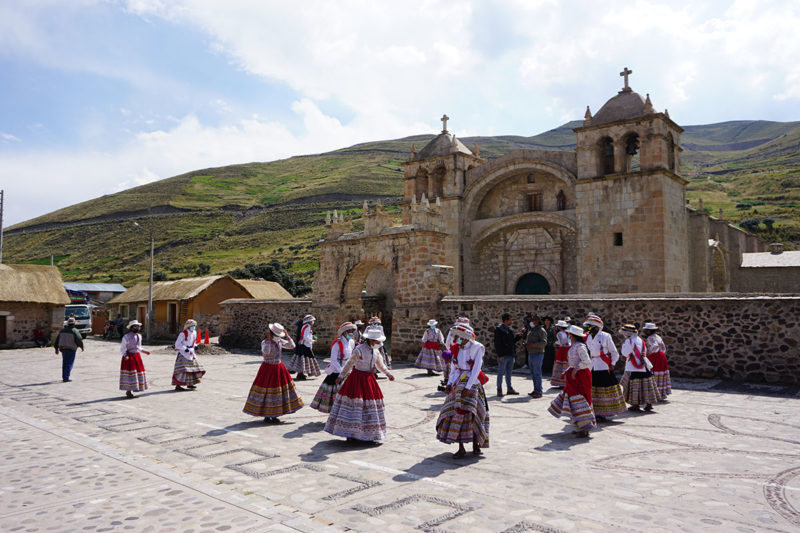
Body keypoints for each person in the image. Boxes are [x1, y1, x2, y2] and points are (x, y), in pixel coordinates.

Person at [324, 325, 395, 443]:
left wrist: (388, 374)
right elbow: (349, 364)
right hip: (356, 380)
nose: (379, 343)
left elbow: (380, 365)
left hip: (369, 380)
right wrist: (341, 376)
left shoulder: (376, 351)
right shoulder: (359, 350)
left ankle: (369, 433)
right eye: (377, 341)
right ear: (371, 340)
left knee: (369, 406)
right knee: (354, 406)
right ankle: (351, 433)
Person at [436, 324, 490, 458]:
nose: (455, 339)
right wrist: (449, 383)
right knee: (456, 413)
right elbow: (455, 368)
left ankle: (476, 444)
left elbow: (476, 369)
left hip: (473, 384)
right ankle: (461, 447)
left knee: (475, 413)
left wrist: (467, 388)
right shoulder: (456, 348)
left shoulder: (477, 348)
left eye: (458, 337)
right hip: (458, 383)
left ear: (465, 337)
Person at [243, 322, 303, 423]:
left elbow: (292, 346)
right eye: (276, 335)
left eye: (279, 335)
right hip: (267, 368)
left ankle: (275, 414)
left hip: (278, 368)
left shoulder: (279, 341)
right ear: (271, 334)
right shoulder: (265, 343)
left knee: (278, 392)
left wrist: (287, 336)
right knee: (267, 392)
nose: (278, 337)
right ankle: (267, 415)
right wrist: (269, 340)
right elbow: (266, 352)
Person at [547, 325, 595, 438]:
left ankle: (584, 428)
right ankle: (579, 426)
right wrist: (568, 370)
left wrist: (576, 369)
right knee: (573, 400)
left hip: (581, 376)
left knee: (580, 399)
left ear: (573, 336)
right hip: (574, 376)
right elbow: (573, 362)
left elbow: (587, 362)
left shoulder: (580, 347)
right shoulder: (574, 346)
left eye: (570, 335)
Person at [584, 314, 627, 422]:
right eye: (588, 326)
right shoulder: (587, 336)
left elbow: (614, 352)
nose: (588, 328)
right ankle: (594, 411)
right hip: (592, 366)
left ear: (596, 327)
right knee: (592, 390)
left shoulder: (605, 336)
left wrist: (612, 363)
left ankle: (604, 413)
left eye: (590, 326)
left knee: (604, 390)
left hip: (603, 366)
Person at [310, 322, 356, 413]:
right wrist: (341, 372)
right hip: (337, 371)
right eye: (350, 331)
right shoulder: (337, 343)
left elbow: (351, 357)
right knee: (336, 394)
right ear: (344, 332)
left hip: (347, 370)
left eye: (353, 331)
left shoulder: (351, 342)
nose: (352, 333)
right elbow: (333, 360)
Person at [618, 323, 660, 411]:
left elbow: (625, 353)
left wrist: (623, 346)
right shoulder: (641, 340)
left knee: (634, 386)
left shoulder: (629, 341)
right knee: (646, 385)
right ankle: (649, 403)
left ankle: (635, 405)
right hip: (643, 365)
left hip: (632, 366)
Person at [173, 319, 206, 391]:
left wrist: (195, 346)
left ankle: (190, 384)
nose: (194, 327)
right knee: (183, 369)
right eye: (192, 326)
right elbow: (177, 344)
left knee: (193, 368)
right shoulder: (183, 333)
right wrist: (185, 349)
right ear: (188, 326)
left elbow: (193, 342)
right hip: (183, 354)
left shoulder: (194, 332)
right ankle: (178, 385)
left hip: (191, 353)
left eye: (194, 326)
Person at [119, 320, 150, 399]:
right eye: (135, 326)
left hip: (137, 356)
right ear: (131, 328)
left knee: (137, 373)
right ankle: (128, 391)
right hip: (129, 357)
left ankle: (135, 388)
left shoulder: (139, 336)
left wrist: (144, 351)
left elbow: (138, 347)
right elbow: (122, 348)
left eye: (137, 326)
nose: (137, 328)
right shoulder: (126, 337)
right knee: (130, 373)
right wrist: (125, 355)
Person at [493, 313, 520, 397]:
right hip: (503, 355)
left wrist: (519, 336)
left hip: (511, 354)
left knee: (509, 373)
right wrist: (500, 355)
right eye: (510, 320)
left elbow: (512, 341)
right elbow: (497, 343)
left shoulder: (510, 329)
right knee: (501, 373)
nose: (511, 321)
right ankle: (499, 389)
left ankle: (509, 388)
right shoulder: (499, 329)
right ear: (506, 320)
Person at [643, 322, 672, 400]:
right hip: (662, 356)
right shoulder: (658, 337)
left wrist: (650, 352)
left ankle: (655, 393)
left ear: (649, 331)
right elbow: (663, 347)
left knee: (653, 373)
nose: (645, 332)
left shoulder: (650, 338)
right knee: (661, 374)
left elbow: (655, 346)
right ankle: (661, 393)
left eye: (646, 330)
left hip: (655, 357)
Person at [288, 314, 321, 380]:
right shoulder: (307, 326)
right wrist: (312, 340)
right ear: (309, 321)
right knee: (305, 359)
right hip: (305, 345)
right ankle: (301, 374)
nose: (313, 322)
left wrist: (311, 339)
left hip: (302, 344)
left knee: (302, 360)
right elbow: (306, 337)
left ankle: (301, 374)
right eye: (312, 321)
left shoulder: (304, 326)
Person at [53, 317, 84, 382]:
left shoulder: (62, 331)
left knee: (65, 363)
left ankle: (64, 376)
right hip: (71, 349)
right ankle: (66, 377)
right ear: (74, 324)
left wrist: (56, 348)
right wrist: (82, 346)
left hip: (63, 349)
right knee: (69, 363)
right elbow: (79, 339)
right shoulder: (75, 331)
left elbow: (57, 340)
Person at [525, 315, 547, 398]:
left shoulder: (541, 330)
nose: (532, 322)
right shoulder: (532, 330)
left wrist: (533, 345)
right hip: (531, 353)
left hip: (537, 354)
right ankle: (535, 390)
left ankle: (539, 391)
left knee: (537, 373)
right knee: (533, 373)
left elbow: (543, 343)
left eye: (533, 320)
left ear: (537, 321)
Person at [550, 319, 571, 388]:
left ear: (559, 327)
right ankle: (565, 382)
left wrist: (555, 343)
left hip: (562, 350)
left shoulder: (559, 333)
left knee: (559, 364)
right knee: (565, 365)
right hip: (568, 349)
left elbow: (560, 342)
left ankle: (560, 382)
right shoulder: (567, 333)